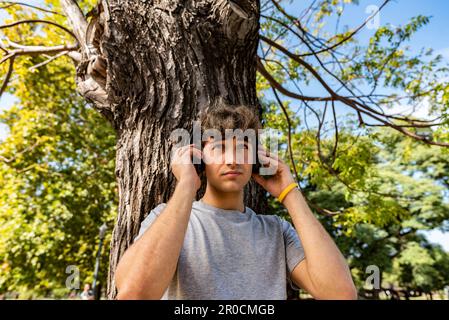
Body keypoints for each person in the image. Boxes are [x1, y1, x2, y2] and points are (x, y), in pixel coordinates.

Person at [115, 102, 357, 300]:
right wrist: (187, 184)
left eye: (242, 148)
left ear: (255, 161)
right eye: (219, 148)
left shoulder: (277, 231)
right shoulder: (165, 219)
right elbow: (136, 293)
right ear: (199, 159)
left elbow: (340, 294)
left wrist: (290, 193)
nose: (232, 160)